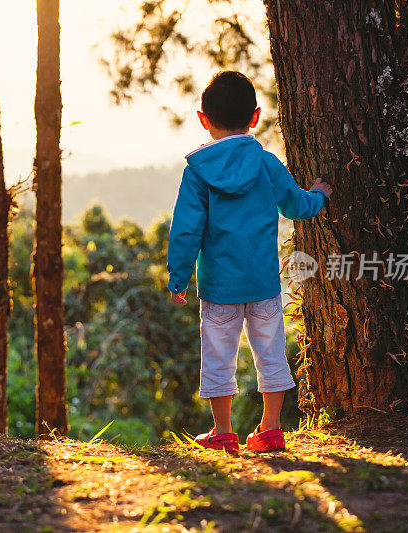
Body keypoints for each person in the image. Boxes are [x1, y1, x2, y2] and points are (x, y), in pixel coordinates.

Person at [167, 71, 333, 454]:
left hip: (219, 288)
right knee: (271, 354)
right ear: (255, 117)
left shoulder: (197, 173)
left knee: (218, 358)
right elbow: (297, 205)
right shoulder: (266, 163)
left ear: (203, 119)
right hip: (262, 285)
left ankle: (222, 431)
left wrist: (179, 276)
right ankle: (271, 428)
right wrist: (320, 196)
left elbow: (186, 230)